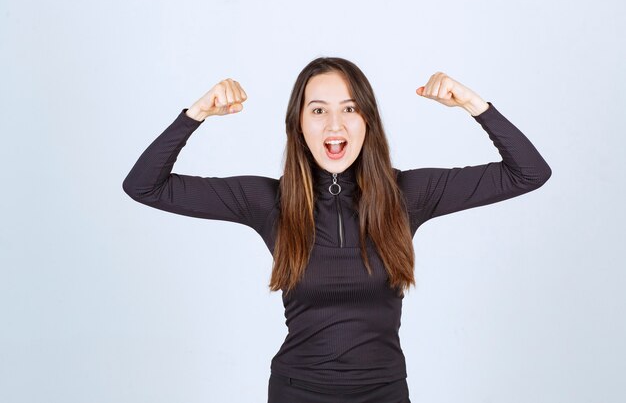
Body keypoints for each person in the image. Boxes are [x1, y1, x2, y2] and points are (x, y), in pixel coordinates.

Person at [122, 57, 552, 403]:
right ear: (298, 124)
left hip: (384, 392)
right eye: (318, 110)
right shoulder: (267, 201)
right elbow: (144, 185)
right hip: (296, 392)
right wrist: (195, 114)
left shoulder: (409, 195)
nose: (334, 125)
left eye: (349, 108)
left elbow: (529, 173)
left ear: (367, 120)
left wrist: (472, 104)